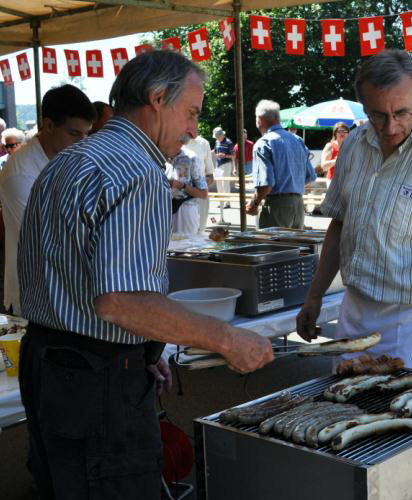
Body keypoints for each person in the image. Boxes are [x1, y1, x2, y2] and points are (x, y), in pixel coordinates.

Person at [17, 50, 273, 499]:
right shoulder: (137, 171)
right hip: (95, 381)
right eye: (191, 112)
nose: (194, 128)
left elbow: (74, 276)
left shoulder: (68, 159)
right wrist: (226, 339)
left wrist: (144, 349)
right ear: (157, 98)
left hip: (48, 362)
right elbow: (121, 302)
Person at [296, 50, 412, 370]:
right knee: (345, 408)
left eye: (402, 113)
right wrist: (314, 295)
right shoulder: (353, 144)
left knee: (401, 415)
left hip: (409, 319)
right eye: (378, 115)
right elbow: (340, 226)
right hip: (353, 308)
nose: (391, 127)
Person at [0, 86, 95, 315]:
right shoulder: (20, 171)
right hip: (35, 292)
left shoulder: (72, 159)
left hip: (70, 290)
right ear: (49, 125)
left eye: (87, 134)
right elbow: (48, 235)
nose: (83, 142)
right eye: (74, 134)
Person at [245, 100, 316, 229]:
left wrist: (254, 203)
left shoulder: (263, 143)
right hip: (298, 205)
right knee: (294, 248)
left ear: (260, 119)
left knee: (273, 248)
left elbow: (266, 183)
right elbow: (310, 176)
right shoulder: (298, 140)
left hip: (277, 205)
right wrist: (291, 185)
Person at [167, 137, 209, 235]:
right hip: (164, 210)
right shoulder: (159, 156)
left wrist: (181, 185)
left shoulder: (191, 158)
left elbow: (203, 194)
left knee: (186, 247)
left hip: (185, 211)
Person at [183, 134, 216, 233]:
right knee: (182, 233)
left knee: (200, 231)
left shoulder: (203, 143)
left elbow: (210, 174)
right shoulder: (173, 140)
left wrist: (203, 182)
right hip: (180, 195)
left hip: (200, 192)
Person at [213, 126, 234, 209]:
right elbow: (214, 152)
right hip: (218, 165)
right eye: (216, 137)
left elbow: (233, 155)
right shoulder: (216, 142)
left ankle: (227, 203)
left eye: (218, 136)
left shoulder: (229, 142)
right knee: (218, 183)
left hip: (226, 164)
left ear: (222, 135)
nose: (217, 138)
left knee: (225, 183)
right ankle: (221, 201)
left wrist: (225, 155)